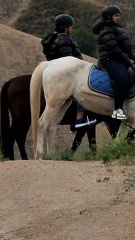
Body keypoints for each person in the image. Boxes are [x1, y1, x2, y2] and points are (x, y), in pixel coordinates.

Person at [42, 14, 98, 152]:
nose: (72, 29)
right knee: (85, 90)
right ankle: (79, 118)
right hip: (66, 74)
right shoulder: (65, 40)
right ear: (67, 27)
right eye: (71, 26)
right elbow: (69, 60)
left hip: (53, 70)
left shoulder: (50, 39)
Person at [92, 4, 135, 121]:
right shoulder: (106, 29)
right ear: (108, 17)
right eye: (116, 15)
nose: (118, 18)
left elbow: (128, 49)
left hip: (118, 58)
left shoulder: (118, 28)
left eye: (119, 15)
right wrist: (127, 61)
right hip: (109, 59)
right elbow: (113, 49)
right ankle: (117, 109)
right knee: (123, 78)